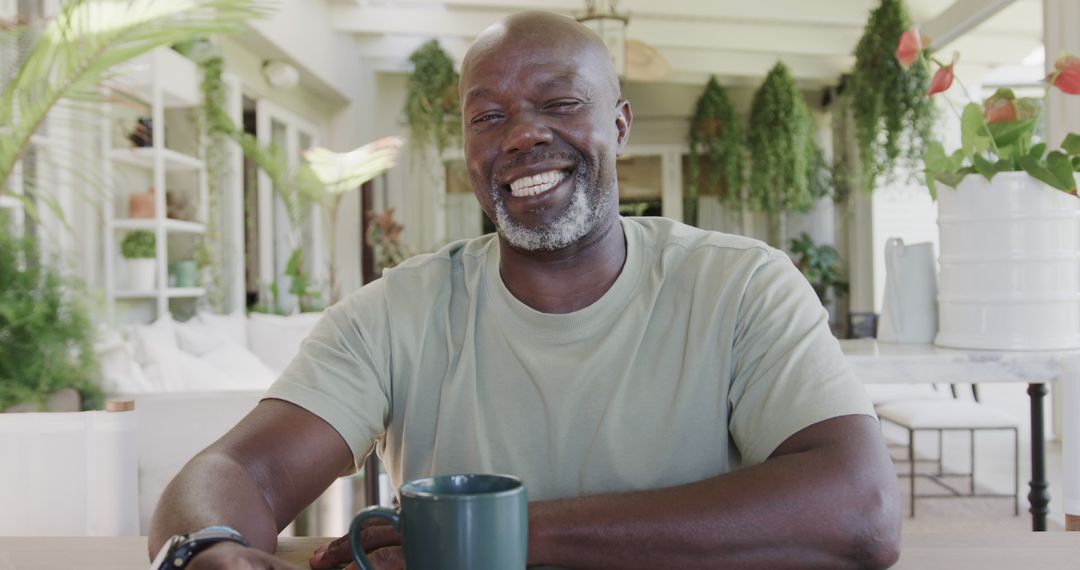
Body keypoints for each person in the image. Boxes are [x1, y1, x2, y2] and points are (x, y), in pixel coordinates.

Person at [149, 10, 901, 570]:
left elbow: (860, 509)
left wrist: (492, 538)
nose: (520, 135)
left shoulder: (741, 287)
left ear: (620, 121)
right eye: (489, 116)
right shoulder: (393, 316)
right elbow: (235, 474)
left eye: (559, 102)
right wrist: (209, 550)